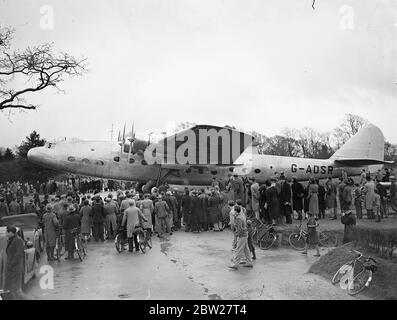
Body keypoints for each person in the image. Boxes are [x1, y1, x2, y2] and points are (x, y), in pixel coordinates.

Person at [3, 226, 25, 300]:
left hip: (15, 268)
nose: (6, 233)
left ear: (11, 233)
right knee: (11, 291)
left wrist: (11, 264)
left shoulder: (18, 240)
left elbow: (18, 254)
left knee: (16, 291)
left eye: (7, 232)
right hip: (11, 268)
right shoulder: (10, 239)